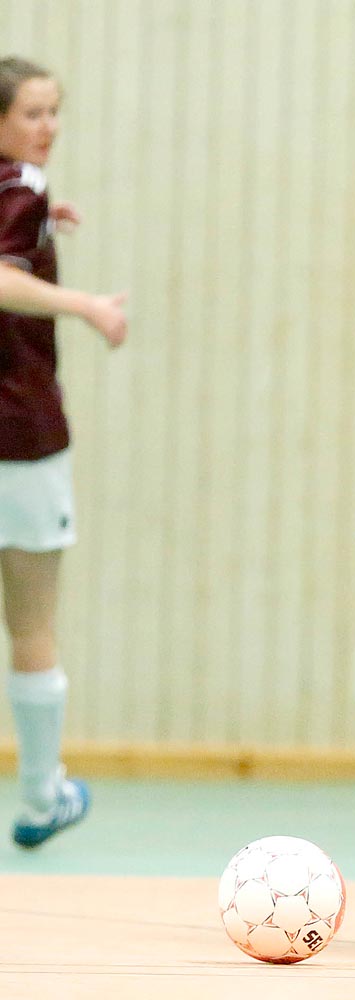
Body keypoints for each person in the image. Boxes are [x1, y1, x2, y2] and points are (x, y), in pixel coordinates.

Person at [1, 56, 128, 848]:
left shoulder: (24, 193)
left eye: (55, 112)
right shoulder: (25, 188)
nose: (48, 127)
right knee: (33, 622)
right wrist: (81, 303)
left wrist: (45, 225)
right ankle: (43, 796)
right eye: (32, 113)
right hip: (22, 434)